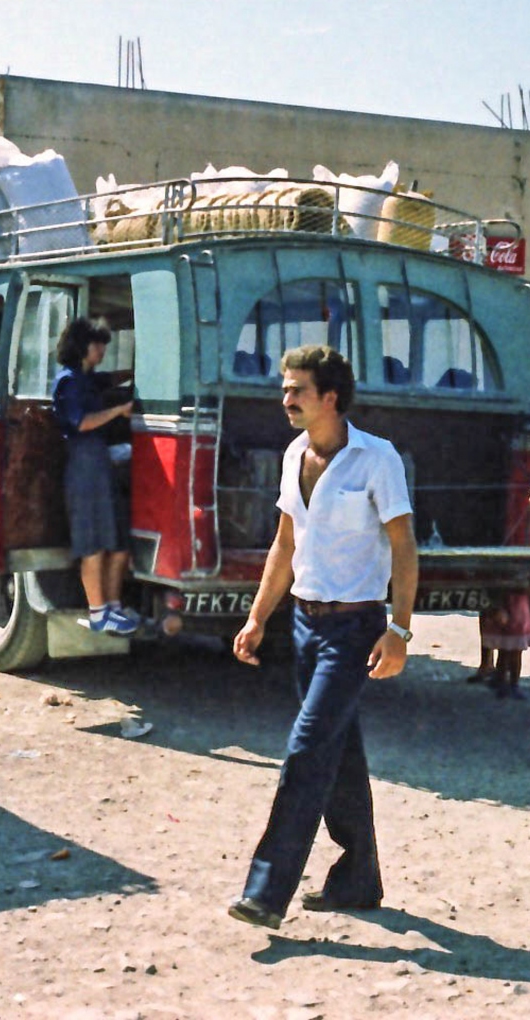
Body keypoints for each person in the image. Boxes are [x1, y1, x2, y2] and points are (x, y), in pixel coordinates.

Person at [228, 345, 417, 929]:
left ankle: (266, 892)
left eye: (297, 390)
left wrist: (399, 629)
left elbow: (405, 547)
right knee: (340, 755)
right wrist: (258, 617)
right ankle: (357, 878)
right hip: (305, 625)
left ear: (330, 397)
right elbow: (286, 543)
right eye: (285, 389)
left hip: (354, 629)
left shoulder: (376, 459)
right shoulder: (294, 454)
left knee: (307, 750)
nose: (285, 399)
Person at [51, 317, 137, 636]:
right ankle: (99, 612)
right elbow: (82, 422)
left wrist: (136, 371)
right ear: (82, 346)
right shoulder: (68, 382)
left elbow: (110, 378)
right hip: (84, 465)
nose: (101, 350)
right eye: (97, 344)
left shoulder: (87, 379)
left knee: (115, 541)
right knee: (92, 543)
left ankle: (112, 606)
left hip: (99, 465)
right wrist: (118, 411)